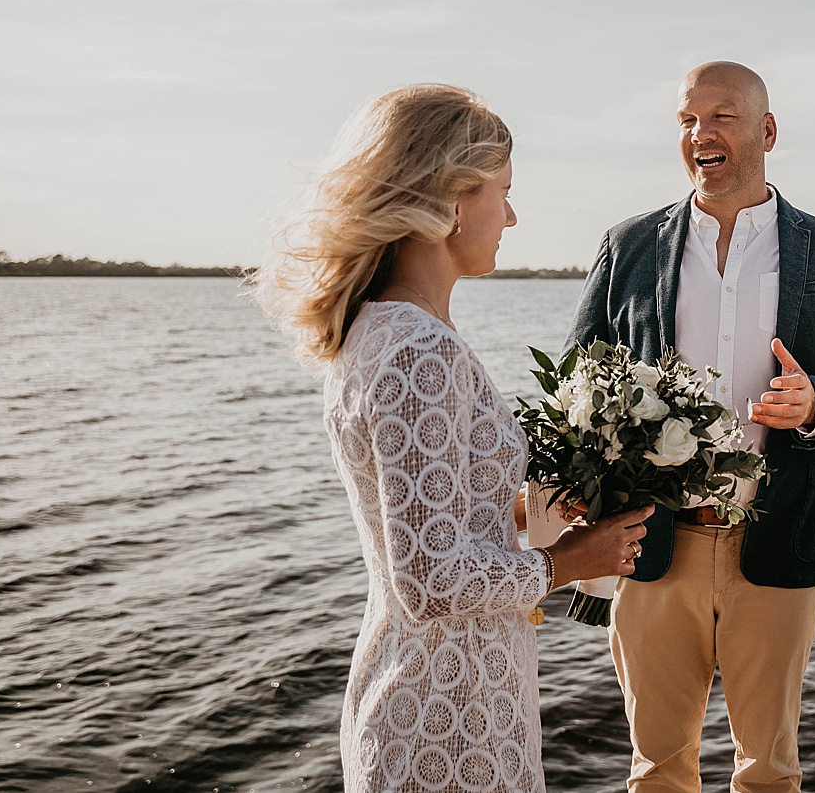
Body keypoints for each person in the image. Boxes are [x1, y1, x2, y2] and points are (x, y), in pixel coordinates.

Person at [254, 85, 652, 793]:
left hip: (453, 691)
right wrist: (569, 560)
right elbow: (430, 580)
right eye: (503, 190)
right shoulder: (418, 352)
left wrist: (542, 510)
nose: (512, 214)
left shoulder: (385, 330)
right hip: (446, 712)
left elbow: (439, 522)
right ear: (452, 200)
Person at [568, 61, 815, 793]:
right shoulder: (627, 248)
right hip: (651, 547)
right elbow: (575, 383)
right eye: (687, 119)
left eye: (721, 116)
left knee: (771, 773)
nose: (700, 133)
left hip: (778, 543)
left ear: (766, 131)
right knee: (656, 771)